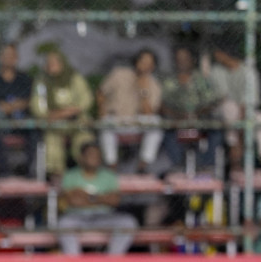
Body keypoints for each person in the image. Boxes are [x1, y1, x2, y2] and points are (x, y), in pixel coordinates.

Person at [58, 141, 137, 256]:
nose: (95, 158)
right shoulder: (70, 176)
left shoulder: (109, 176)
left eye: (97, 155)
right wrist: (102, 198)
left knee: (128, 222)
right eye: (91, 154)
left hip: (104, 217)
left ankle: (113, 261)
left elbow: (114, 201)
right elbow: (73, 201)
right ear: (81, 157)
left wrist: (87, 197)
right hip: (77, 217)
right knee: (63, 224)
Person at [30, 45, 93, 178]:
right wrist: (59, 114)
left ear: (62, 63)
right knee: (51, 143)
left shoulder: (74, 77)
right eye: (49, 63)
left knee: (84, 142)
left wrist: (64, 113)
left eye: (55, 62)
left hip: (76, 123)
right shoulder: (41, 81)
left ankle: (85, 177)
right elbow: (38, 107)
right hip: (54, 126)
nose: (51, 65)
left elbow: (86, 100)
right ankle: (56, 178)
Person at [97, 50, 162, 173]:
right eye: (143, 61)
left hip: (136, 122)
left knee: (156, 123)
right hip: (115, 119)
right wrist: (102, 109)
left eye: (149, 63)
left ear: (153, 66)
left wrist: (143, 89)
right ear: (136, 61)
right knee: (105, 123)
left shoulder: (154, 84)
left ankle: (142, 166)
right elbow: (101, 93)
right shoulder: (119, 74)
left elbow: (149, 113)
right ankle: (112, 166)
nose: (145, 65)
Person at [160, 44, 222, 172]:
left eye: (185, 58)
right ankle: (178, 166)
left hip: (200, 119)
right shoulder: (168, 81)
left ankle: (206, 165)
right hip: (176, 120)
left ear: (192, 60)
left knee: (217, 129)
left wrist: (196, 114)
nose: (182, 62)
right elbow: (162, 105)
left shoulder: (202, 80)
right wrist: (178, 116)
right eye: (179, 59)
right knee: (165, 129)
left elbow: (212, 102)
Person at [208, 39, 258, 171]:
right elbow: (222, 97)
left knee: (259, 119)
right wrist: (239, 127)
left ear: (224, 53)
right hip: (222, 112)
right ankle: (235, 161)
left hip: (244, 112)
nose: (215, 55)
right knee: (229, 107)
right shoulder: (216, 71)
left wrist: (242, 121)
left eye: (217, 52)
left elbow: (249, 100)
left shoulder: (248, 71)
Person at [0, 43, 35, 175]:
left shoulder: (25, 79)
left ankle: (30, 173)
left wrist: (10, 106)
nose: (9, 58)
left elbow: (29, 100)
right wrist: (12, 106)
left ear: (16, 58)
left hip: (22, 122)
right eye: (6, 55)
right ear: (0, 57)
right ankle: (3, 173)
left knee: (35, 134)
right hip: (0, 122)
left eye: (12, 55)